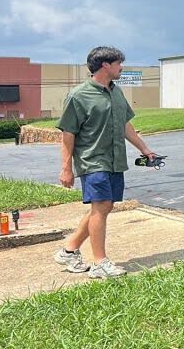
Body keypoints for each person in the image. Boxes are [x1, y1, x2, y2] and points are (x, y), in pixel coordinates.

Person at [53, 46, 158, 278]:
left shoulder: (116, 92)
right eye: (119, 63)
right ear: (105, 65)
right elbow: (68, 134)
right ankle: (100, 263)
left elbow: (125, 126)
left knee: (104, 207)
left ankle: (69, 250)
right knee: (100, 207)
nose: (122, 68)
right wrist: (66, 168)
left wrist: (145, 149)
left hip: (114, 160)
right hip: (92, 160)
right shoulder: (78, 96)